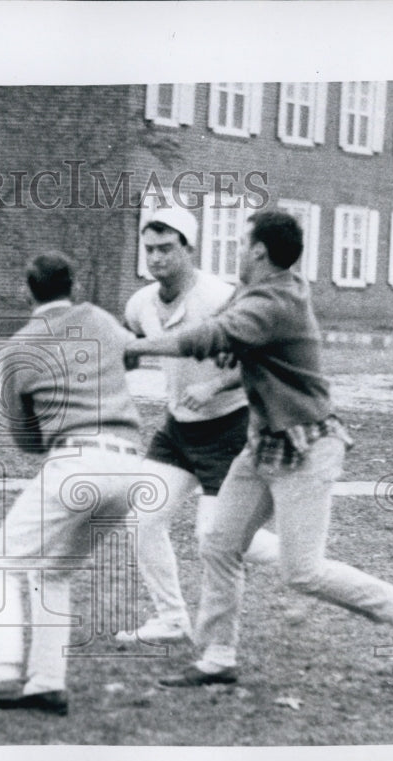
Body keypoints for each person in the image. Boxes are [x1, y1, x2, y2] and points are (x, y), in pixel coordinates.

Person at [124, 209, 393, 685]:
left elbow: (212, 335)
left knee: (301, 571)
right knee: (218, 542)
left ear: (259, 251)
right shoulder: (256, 292)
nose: (238, 250)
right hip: (262, 443)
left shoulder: (277, 300)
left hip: (307, 448)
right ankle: (218, 656)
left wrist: (134, 348)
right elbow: (232, 345)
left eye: (243, 243)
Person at [0, 251, 147, 716]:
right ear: (73, 284)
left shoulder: (19, 347)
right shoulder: (98, 318)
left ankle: (0, 670)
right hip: (132, 465)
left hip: (76, 460)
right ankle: (46, 683)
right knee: (52, 572)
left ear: (27, 289)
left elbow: (26, 439)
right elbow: (130, 357)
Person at [115, 205, 280, 645]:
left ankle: (301, 558)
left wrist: (213, 386)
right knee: (143, 517)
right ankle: (171, 620)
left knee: (214, 534)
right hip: (178, 429)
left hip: (229, 427)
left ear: (189, 249)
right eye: (149, 249)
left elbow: (261, 360)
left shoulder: (220, 297)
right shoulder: (140, 304)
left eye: (167, 248)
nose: (157, 258)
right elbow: (130, 347)